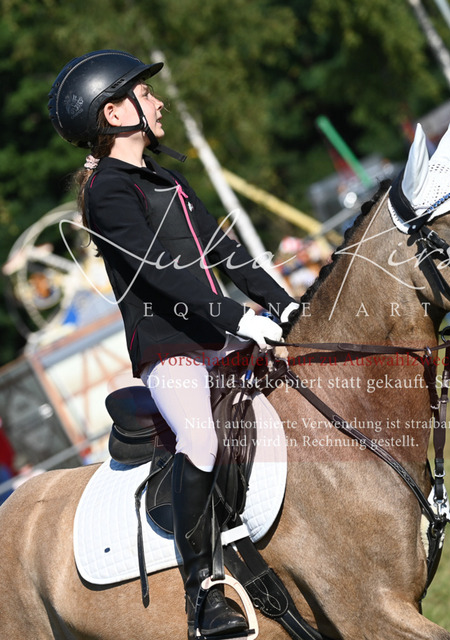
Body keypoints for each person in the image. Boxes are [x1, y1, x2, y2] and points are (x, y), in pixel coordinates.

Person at [48, 50, 299, 639]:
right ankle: (203, 592)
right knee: (201, 439)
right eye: (145, 94)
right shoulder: (108, 191)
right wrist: (238, 316)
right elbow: (159, 274)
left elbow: (224, 250)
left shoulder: (168, 179)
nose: (158, 102)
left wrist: (283, 302)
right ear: (115, 114)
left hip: (213, 334)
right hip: (169, 347)